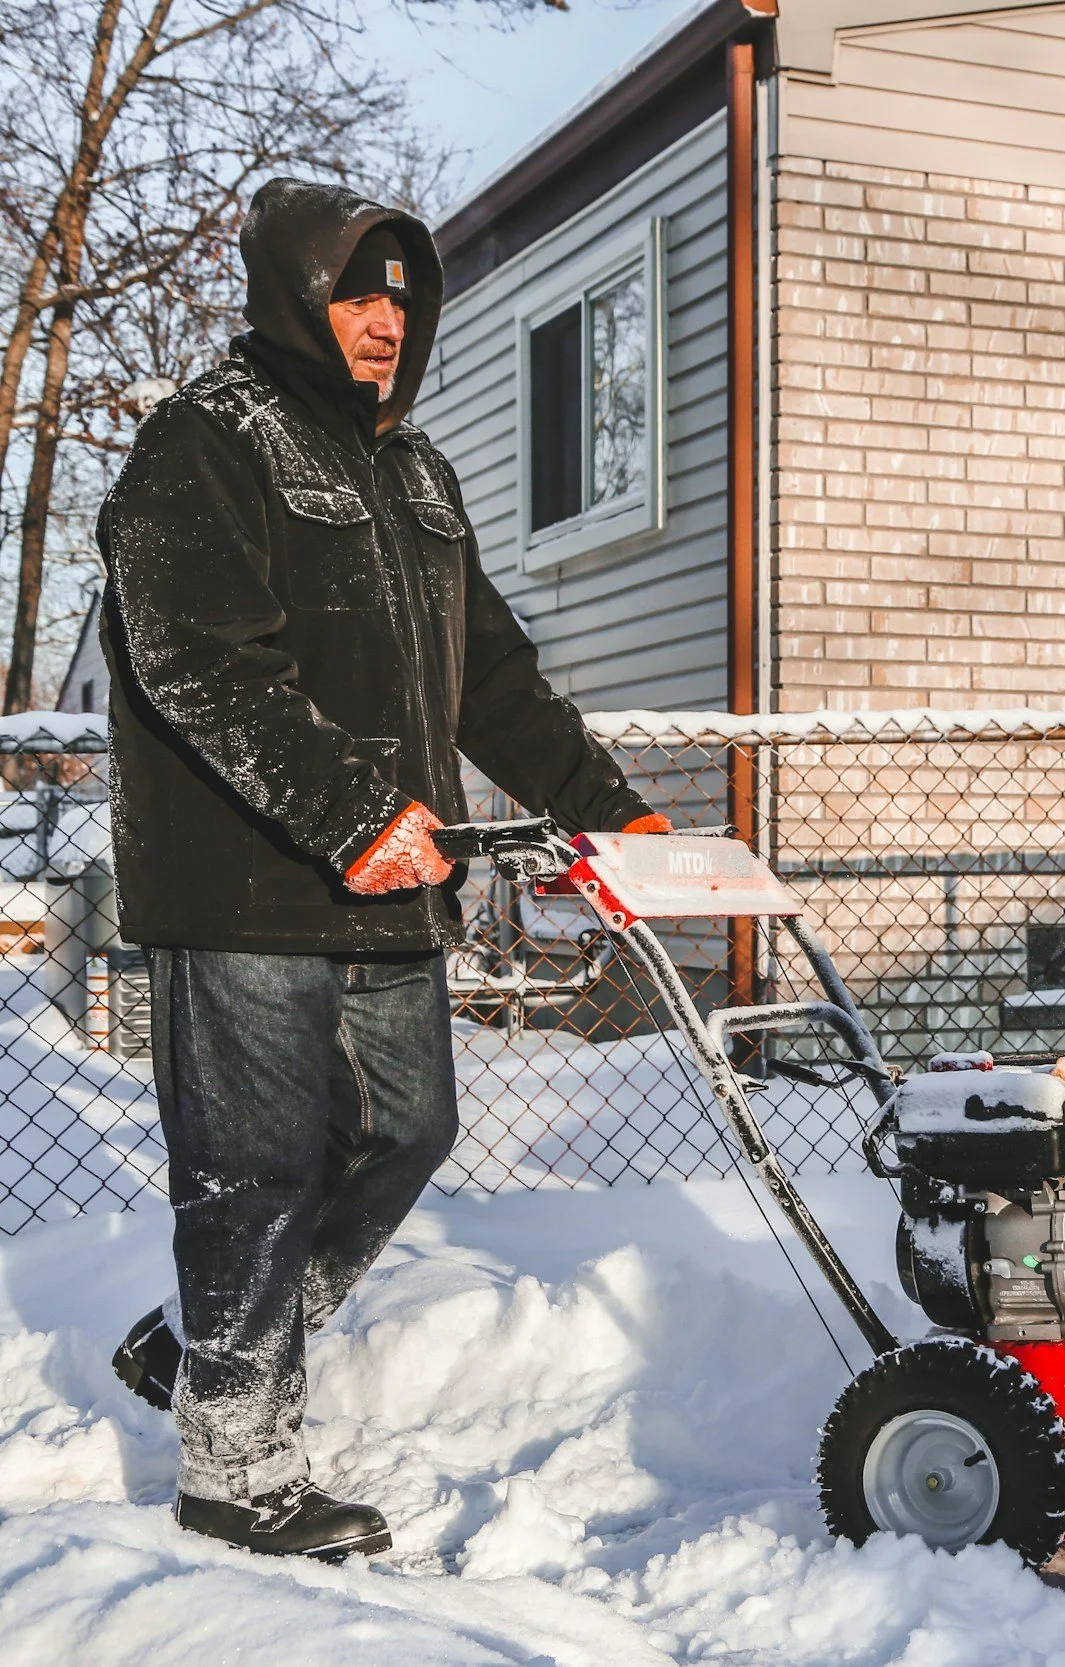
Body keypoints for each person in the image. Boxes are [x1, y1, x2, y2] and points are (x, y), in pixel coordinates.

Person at [96, 179, 668, 1560]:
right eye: (358, 294)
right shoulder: (204, 443)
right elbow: (198, 661)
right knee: (254, 1167)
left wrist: (613, 813)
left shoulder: (417, 472)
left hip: (396, 889)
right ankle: (234, 1466)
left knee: (408, 1129)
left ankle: (207, 1352)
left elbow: (494, 680)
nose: (384, 324)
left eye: (405, 300)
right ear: (295, 293)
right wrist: (352, 808)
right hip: (248, 886)